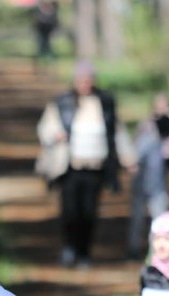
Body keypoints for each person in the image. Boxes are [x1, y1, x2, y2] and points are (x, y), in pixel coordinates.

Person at [35, 60, 126, 268]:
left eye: (88, 79)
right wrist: (55, 135)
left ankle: (85, 252)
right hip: (69, 167)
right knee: (70, 211)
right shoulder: (62, 102)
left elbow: (117, 133)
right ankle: (69, 247)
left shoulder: (105, 102)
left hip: (95, 167)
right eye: (81, 79)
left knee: (89, 213)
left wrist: (128, 159)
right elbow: (45, 128)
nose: (85, 83)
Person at [126, 112, 169, 260]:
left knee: (159, 223)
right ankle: (133, 250)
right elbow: (133, 161)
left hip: (157, 189)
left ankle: (155, 253)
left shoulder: (163, 143)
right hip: (141, 187)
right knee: (137, 221)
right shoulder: (147, 141)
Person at [33, 0, 59, 65]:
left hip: (48, 31)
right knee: (42, 44)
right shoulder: (40, 11)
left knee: (47, 44)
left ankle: (47, 57)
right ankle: (42, 57)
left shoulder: (52, 11)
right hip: (42, 30)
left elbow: (54, 21)